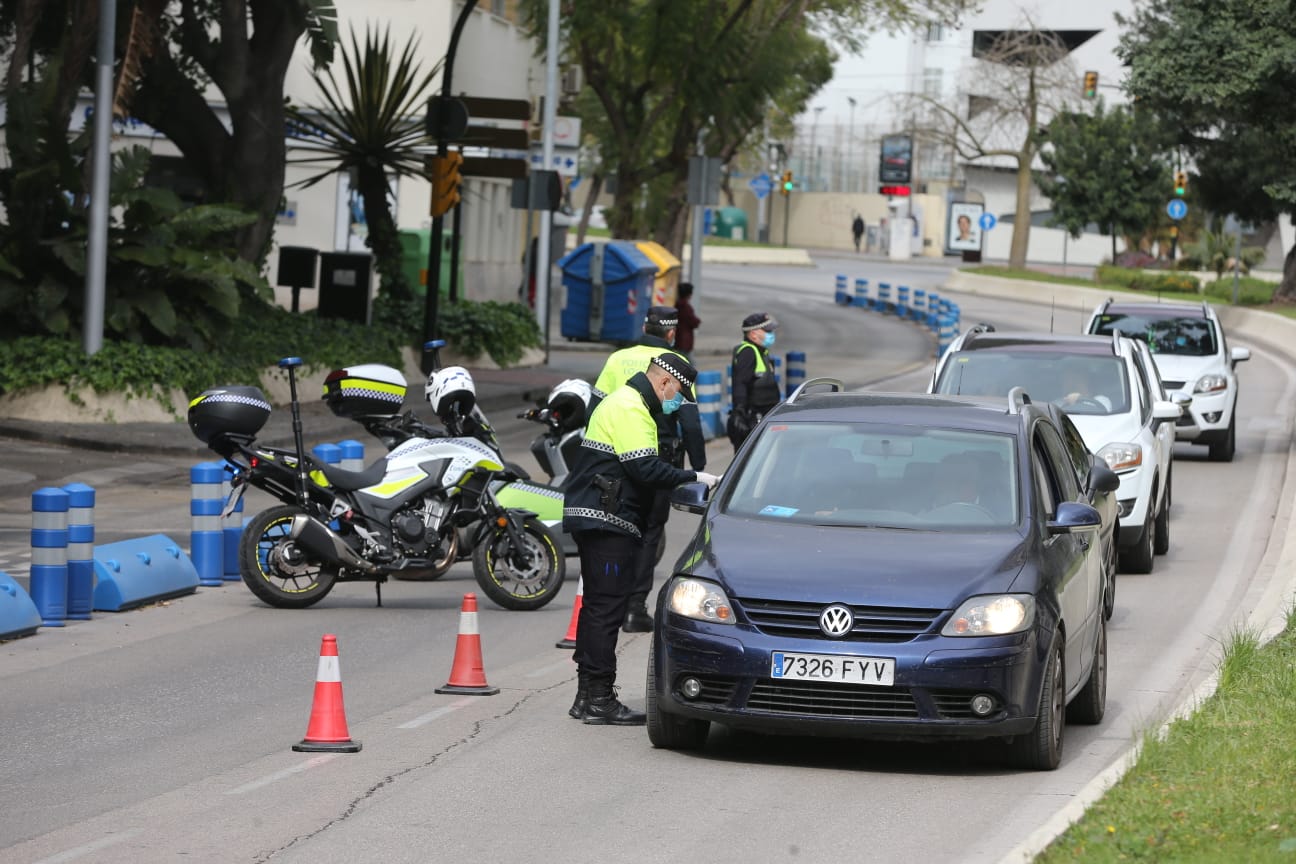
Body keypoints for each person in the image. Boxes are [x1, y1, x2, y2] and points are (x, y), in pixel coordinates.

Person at [563, 353, 720, 725]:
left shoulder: (624, 401)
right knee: (608, 609)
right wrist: (695, 478)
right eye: (679, 392)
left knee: (596, 608)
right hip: (608, 519)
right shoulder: (633, 407)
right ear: (664, 382)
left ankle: (587, 695)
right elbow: (644, 467)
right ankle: (599, 696)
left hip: (597, 516)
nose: (678, 401)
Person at [593, 306, 707, 633]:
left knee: (618, 528)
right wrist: (698, 469)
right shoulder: (677, 367)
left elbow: (594, 408)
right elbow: (690, 422)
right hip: (660, 461)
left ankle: (611, 602)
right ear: (671, 334)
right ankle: (634, 609)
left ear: (645, 326)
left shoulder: (617, 359)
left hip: (616, 458)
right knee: (649, 533)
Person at [728, 312, 782, 450]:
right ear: (753, 334)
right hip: (753, 419)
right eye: (768, 331)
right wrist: (740, 412)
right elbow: (741, 383)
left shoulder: (762, 352)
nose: (772, 334)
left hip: (764, 416)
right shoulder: (748, 352)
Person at [674, 282, 701, 356]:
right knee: (690, 363)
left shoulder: (677, 305)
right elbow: (693, 321)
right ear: (689, 294)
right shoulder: (686, 307)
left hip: (678, 339)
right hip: (684, 341)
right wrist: (698, 321)